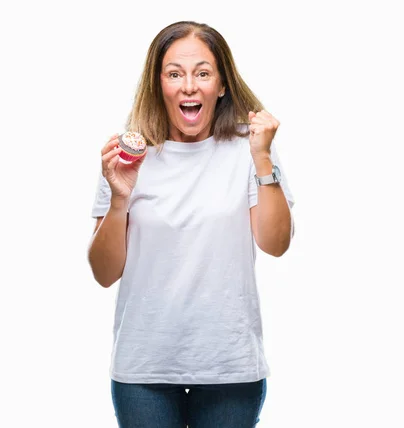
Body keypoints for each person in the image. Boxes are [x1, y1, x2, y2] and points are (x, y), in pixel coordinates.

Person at [88, 21, 294, 428]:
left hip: (229, 369)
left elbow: (276, 244)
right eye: (174, 73)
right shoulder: (129, 158)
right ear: (157, 83)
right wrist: (119, 199)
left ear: (221, 84)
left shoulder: (248, 150)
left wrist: (263, 160)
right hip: (144, 370)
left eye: (202, 72)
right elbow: (103, 273)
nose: (188, 86)